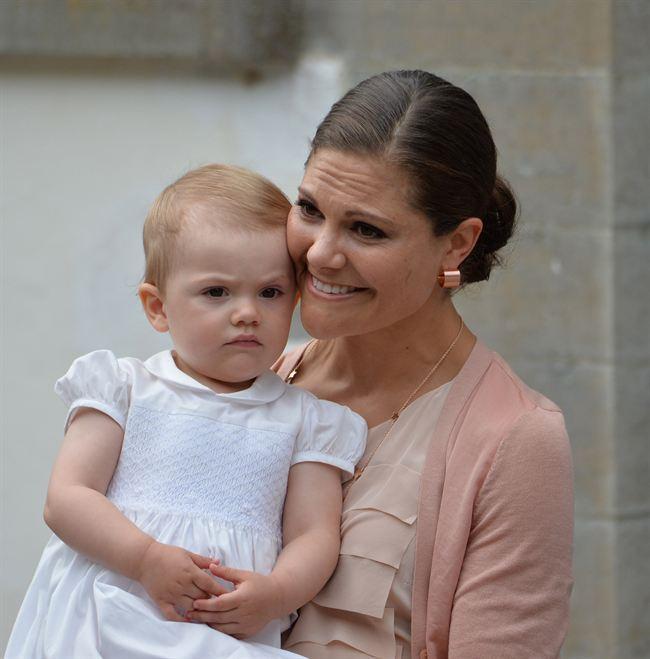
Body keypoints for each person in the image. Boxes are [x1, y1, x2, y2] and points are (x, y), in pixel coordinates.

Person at [268, 70, 572, 658]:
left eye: (366, 229)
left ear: (457, 243)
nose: (321, 253)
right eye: (309, 209)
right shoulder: (258, 381)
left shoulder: (516, 439)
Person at [6, 164, 367, 659]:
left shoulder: (306, 419)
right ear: (158, 307)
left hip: (221, 629)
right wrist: (146, 557)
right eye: (217, 292)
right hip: (104, 611)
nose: (247, 312)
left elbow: (314, 534)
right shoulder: (126, 389)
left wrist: (278, 592)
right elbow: (68, 498)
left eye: (270, 292)